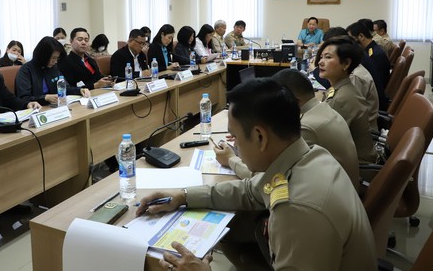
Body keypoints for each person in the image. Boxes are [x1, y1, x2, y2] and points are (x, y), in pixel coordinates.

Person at [136, 78, 377, 271]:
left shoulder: (297, 210)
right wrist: (183, 196)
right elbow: (250, 190)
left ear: (260, 137)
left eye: (236, 138)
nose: (234, 147)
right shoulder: (310, 156)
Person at [215, 69, 360, 191]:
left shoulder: (306, 128)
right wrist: (246, 138)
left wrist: (231, 159)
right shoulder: (322, 108)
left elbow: (267, 180)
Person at [316, 35, 377, 163]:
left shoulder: (342, 98)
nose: (320, 62)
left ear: (346, 63)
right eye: (321, 57)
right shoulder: (341, 88)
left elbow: (323, 139)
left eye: (328, 57)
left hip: (355, 167)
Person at [16, 36, 88, 106]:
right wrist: (45, 98)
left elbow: (65, 88)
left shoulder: (53, 67)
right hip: (37, 110)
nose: (56, 61)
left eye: (57, 58)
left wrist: (79, 90)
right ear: (43, 56)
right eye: (53, 58)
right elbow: (24, 98)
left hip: (53, 107)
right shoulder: (26, 70)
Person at [347, 21, 391, 104]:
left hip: (374, 103)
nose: (350, 43)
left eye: (351, 39)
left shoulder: (375, 55)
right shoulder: (371, 49)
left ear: (361, 36)